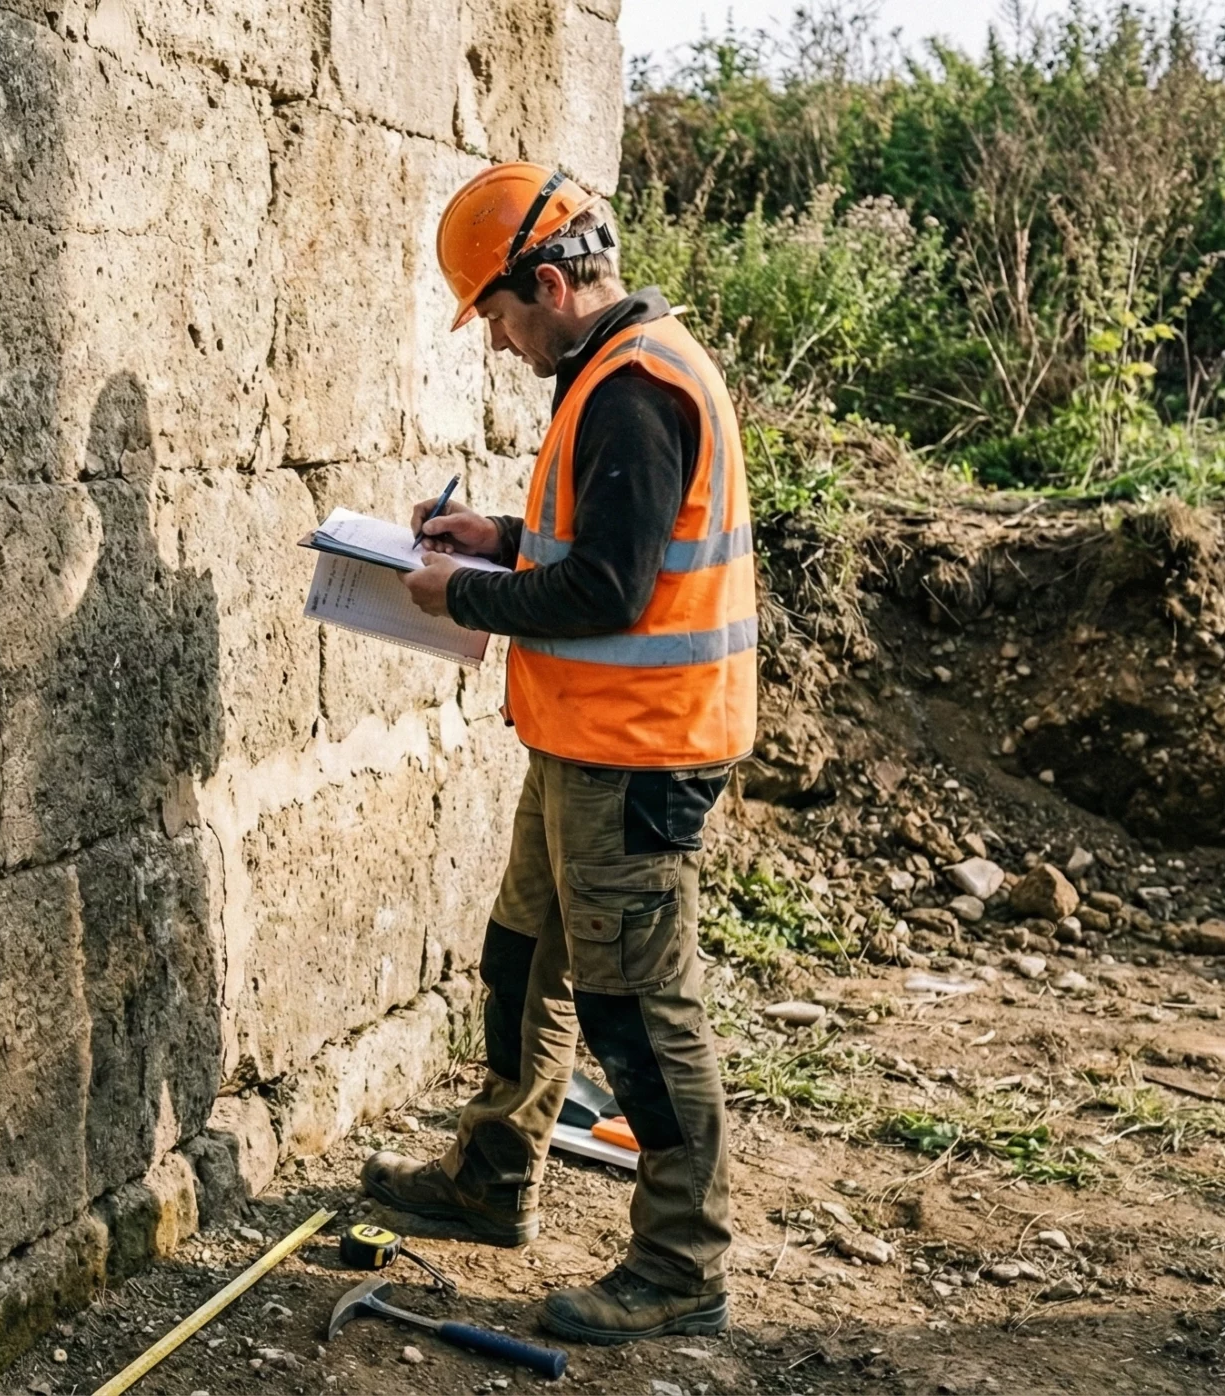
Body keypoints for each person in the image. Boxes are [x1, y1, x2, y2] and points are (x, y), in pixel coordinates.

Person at [368, 162, 757, 1345]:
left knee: (639, 1012)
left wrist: (467, 590)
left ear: (547, 282)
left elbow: (610, 588)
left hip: (637, 760)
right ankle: (494, 1175)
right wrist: (501, 535)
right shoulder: (612, 372)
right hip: (585, 744)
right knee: (521, 956)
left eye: (494, 316)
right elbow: (595, 539)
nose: (494, 344)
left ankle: (682, 1263)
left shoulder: (636, 386)